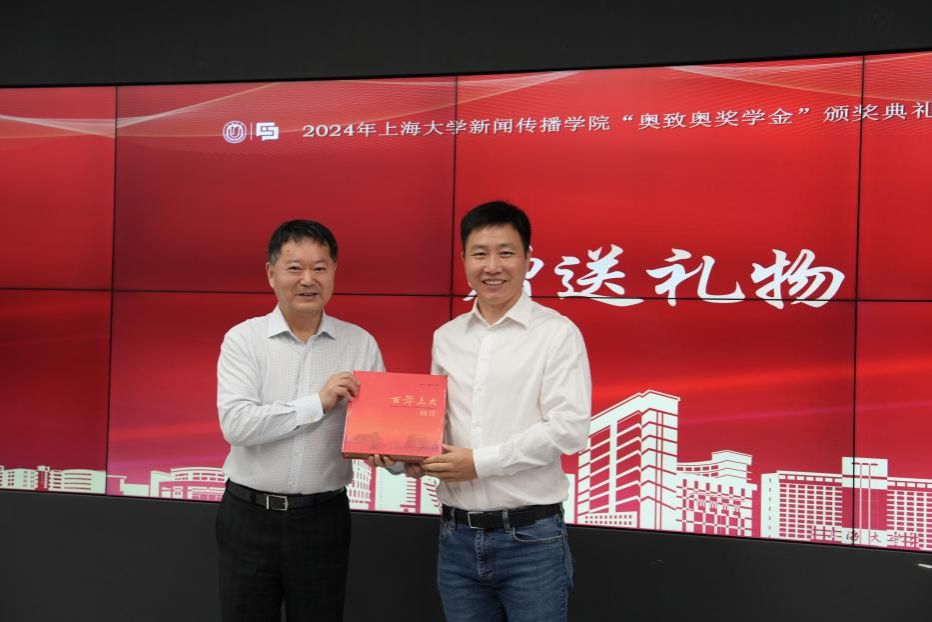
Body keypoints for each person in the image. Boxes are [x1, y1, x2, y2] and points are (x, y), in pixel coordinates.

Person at [378, 201, 592, 621]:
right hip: (456, 537)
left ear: (528, 258)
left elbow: (568, 429)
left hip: (531, 540)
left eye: (505, 252)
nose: (492, 266)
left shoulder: (557, 334)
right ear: (463, 259)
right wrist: (405, 458)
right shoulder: (447, 337)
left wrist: (478, 463)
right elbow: (437, 425)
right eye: (480, 253)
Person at [216, 220, 383, 622]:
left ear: (334, 272)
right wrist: (317, 403)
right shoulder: (244, 340)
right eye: (295, 268)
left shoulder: (360, 343)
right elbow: (237, 424)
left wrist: (395, 455)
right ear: (271, 273)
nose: (308, 279)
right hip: (248, 516)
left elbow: (378, 431)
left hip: (323, 518)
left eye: (320, 268)